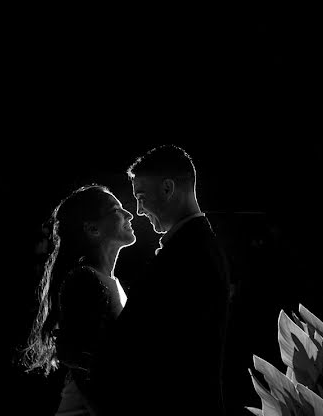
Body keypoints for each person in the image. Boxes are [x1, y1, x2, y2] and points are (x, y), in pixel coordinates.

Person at [92, 145, 231, 415]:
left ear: (168, 189)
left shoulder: (188, 256)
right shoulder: (195, 247)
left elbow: (146, 345)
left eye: (141, 197)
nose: (139, 210)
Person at [18, 185, 136, 416]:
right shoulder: (84, 279)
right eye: (116, 210)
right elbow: (78, 361)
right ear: (93, 228)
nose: (129, 214)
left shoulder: (110, 281)